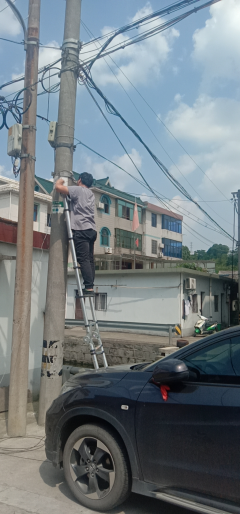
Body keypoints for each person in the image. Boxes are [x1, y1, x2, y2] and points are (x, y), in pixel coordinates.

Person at [55, 172, 97, 295]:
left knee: (83, 259)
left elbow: (58, 188)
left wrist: (60, 180)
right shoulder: (91, 194)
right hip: (91, 229)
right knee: (89, 259)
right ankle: (90, 286)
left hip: (81, 229)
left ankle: (88, 288)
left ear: (79, 180)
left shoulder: (78, 190)